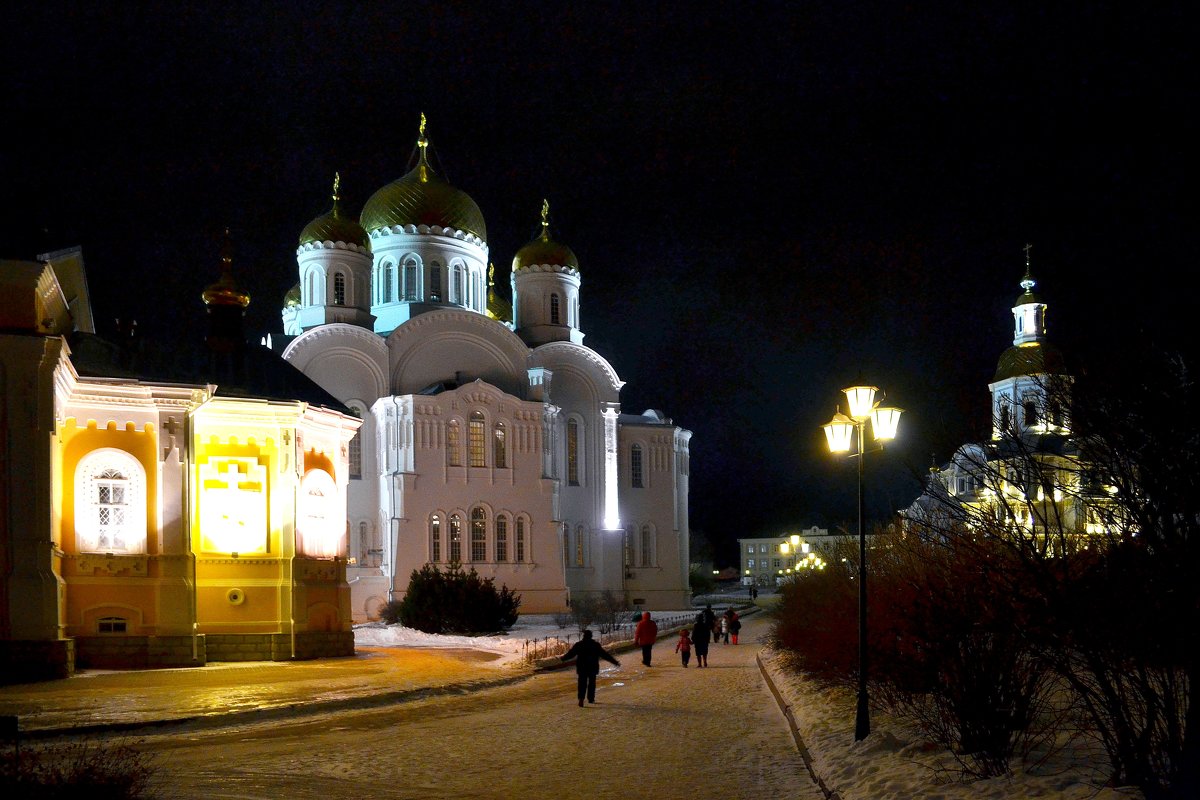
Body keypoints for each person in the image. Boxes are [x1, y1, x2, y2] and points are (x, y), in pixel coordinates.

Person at [560, 629, 620, 707]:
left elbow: (571, 654)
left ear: (584, 636)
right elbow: (605, 655)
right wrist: (614, 662)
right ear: (591, 636)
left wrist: (563, 658)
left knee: (582, 683)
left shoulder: (579, 644)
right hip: (593, 667)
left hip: (582, 667)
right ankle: (591, 698)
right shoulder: (595, 645)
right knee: (592, 683)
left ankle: (581, 699)